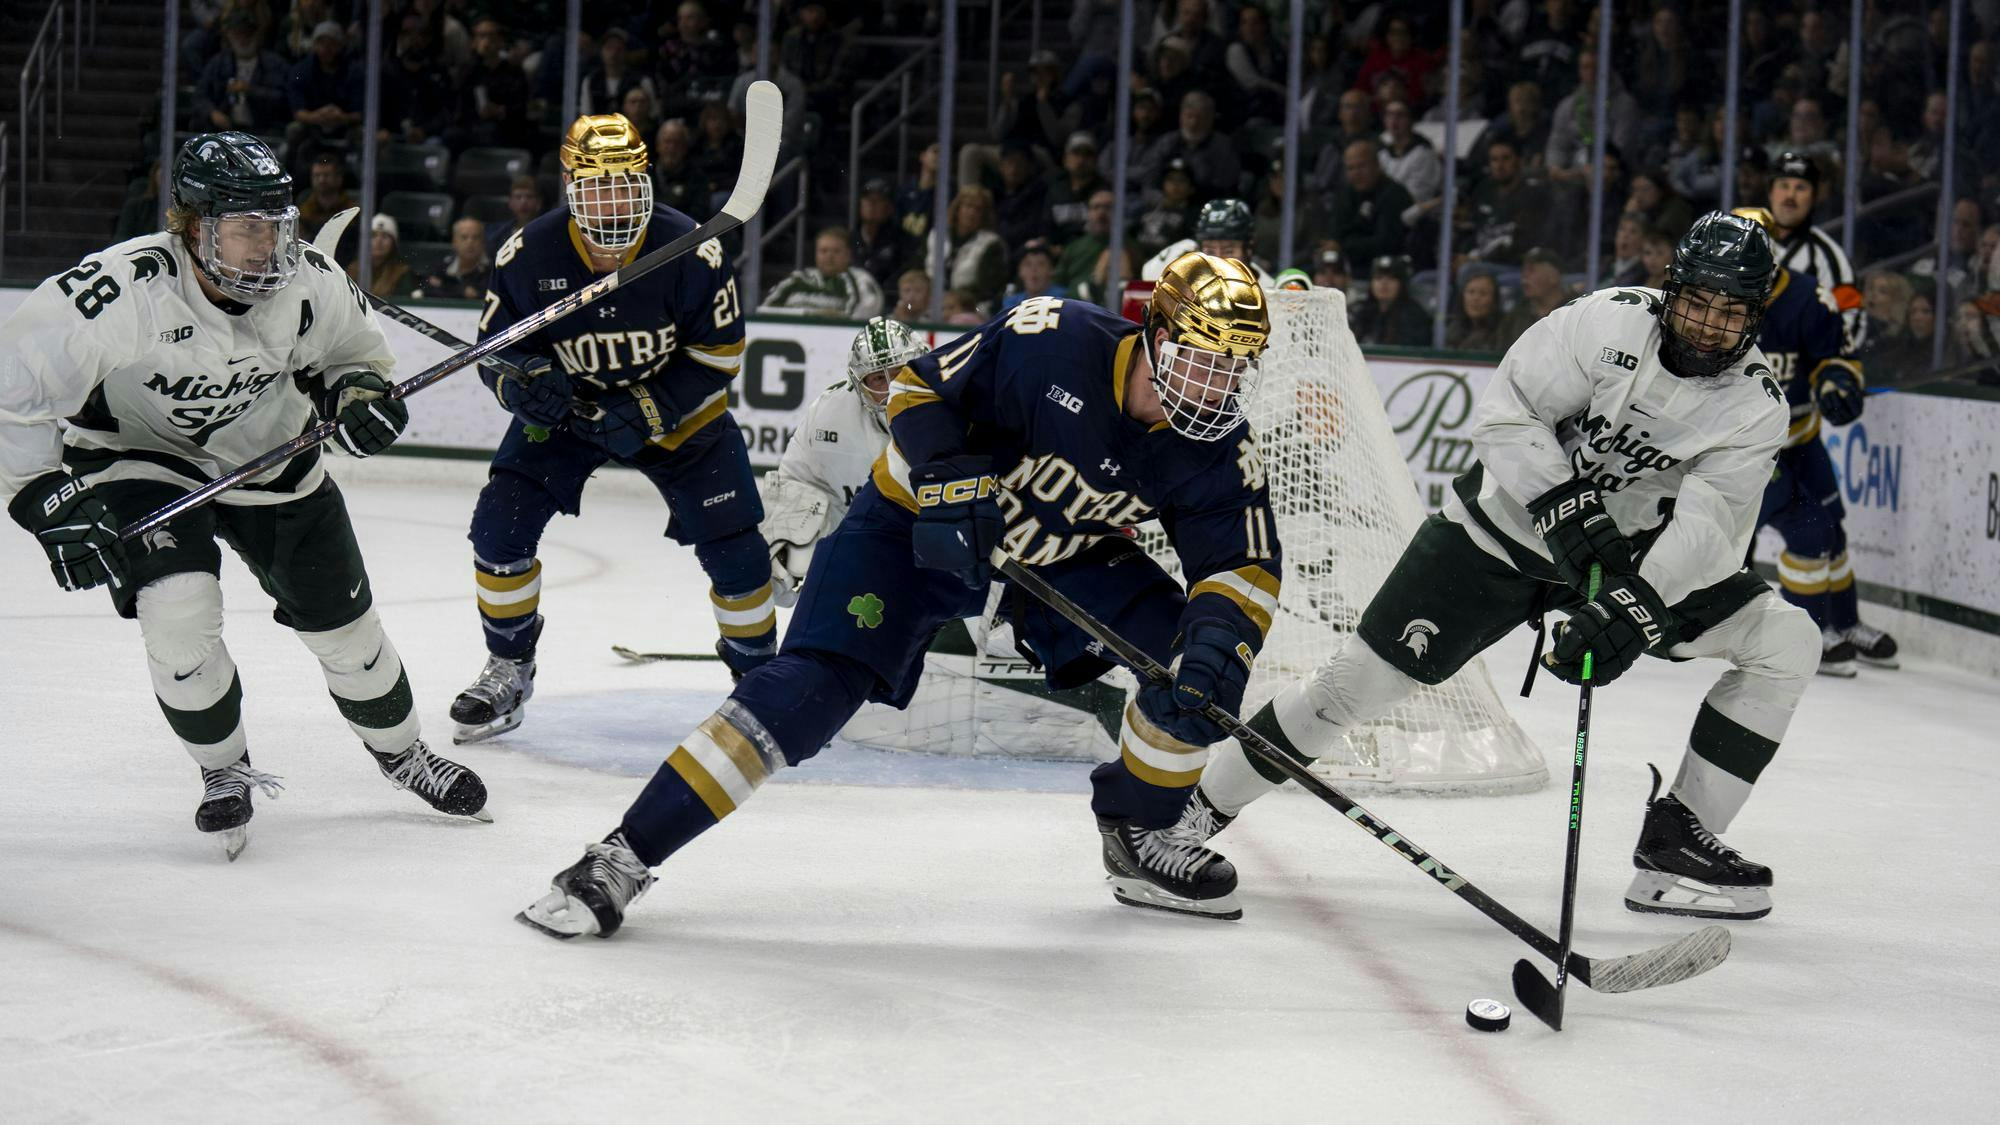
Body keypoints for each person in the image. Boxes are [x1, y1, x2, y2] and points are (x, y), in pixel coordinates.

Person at [516, 255, 1283, 938]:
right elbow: (918, 385)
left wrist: (1219, 631)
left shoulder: (1222, 447)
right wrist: (947, 468)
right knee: (807, 691)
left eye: (1234, 369)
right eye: (1203, 360)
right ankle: (622, 853)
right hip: (917, 522)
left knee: (1194, 668)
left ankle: (1136, 834)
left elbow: (1243, 564)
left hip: (1056, 554)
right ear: (1154, 332)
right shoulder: (1053, 337)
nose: (1218, 386)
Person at [1191, 212, 1816, 922]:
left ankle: (1676, 845)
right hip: (1499, 533)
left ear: (1757, 318)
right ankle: (1193, 811)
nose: (1708, 325)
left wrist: (1635, 605)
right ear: (1670, 289)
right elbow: (1507, 410)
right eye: (1697, 301)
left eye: (1730, 312)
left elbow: (1709, 524)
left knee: (1787, 642)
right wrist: (1560, 500)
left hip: (1624, 558)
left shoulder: (1756, 406)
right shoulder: (1605, 324)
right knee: (1353, 683)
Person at [0, 132, 490, 859]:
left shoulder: (310, 281)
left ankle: (403, 752)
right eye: (245, 228)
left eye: (276, 226)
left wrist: (357, 393)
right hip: (141, 456)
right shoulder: (123, 289)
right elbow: (18, 385)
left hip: (272, 455)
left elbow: (355, 357)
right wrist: (42, 496)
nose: (266, 246)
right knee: (178, 614)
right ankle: (224, 767)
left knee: (347, 632)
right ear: (192, 228)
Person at [449, 114, 774, 742]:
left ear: (646, 184)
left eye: (626, 185)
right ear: (570, 187)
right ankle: (509, 667)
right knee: (498, 530)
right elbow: (496, 348)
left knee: (739, 555)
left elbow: (720, 355)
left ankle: (762, 687)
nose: (614, 201)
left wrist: (653, 407)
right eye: (598, 187)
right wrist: (522, 382)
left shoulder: (693, 249)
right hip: (573, 416)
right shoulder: (528, 254)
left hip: (679, 418)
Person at [1731, 208, 1899, 676]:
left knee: (1834, 532)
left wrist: (1836, 385)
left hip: (1802, 441)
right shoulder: (1719, 300)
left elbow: (1835, 357)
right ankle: (1806, 633)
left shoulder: (1806, 295)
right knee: (1806, 530)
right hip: (1746, 452)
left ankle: (1844, 624)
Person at [758, 317, 929, 604]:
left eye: (899, 372)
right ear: (859, 384)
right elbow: (794, 485)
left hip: (942, 538)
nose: (891, 388)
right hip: (865, 538)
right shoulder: (829, 415)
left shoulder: (956, 405)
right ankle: (756, 636)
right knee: (783, 555)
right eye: (877, 378)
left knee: (1000, 635)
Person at [1767, 151, 1866, 354]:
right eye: (1783, 186)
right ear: (1770, 192)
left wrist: (1822, 366)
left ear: (1814, 197)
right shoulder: (1742, 245)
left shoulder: (1830, 258)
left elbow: (1852, 322)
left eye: (1800, 188)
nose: (1790, 196)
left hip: (1799, 379)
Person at [760, 227, 885, 320]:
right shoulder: (798, 279)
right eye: (823, 251)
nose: (829, 256)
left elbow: (866, 314)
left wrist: (835, 319)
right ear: (816, 254)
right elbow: (765, 311)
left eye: (836, 251)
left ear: (848, 255)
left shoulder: (860, 279)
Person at [1142, 198, 1274, 285]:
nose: (1218, 260)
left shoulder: (1267, 289)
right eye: (1210, 250)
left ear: (1249, 249)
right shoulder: (1185, 256)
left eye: (1229, 251)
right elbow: (1148, 276)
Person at [1349, 254, 1431, 346]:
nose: (1384, 283)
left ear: (1401, 284)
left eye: (1391, 278)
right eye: (1378, 278)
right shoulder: (1358, 311)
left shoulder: (1415, 316)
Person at [412, 216, 491, 300]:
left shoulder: (492, 271)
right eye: (464, 237)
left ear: (483, 242)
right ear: (454, 242)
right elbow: (424, 290)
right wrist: (462, 291)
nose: (470, 242)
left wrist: (442, 285)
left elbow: (482, 296)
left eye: (476, 237)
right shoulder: (442, 267)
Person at [483, 175, 544, 259]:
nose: (523, 202)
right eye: (518, 197)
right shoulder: (498, 234)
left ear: (538, 203)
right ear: (510, 203)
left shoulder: (546, 230)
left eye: (529, 197)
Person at [1446, 269, 1507, 351]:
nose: (1475, 298)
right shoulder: (1453, 328)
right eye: (1471, 292)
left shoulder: (1504, 330)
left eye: (1483, 293)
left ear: (1494, 300)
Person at [1002, 240, 1070, 310]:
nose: (1034, 269)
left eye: (1041, 264)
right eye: (1028, 264)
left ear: (1051, 270)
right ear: (1019, 271)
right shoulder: (1011, 303)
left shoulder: (1066, 299)